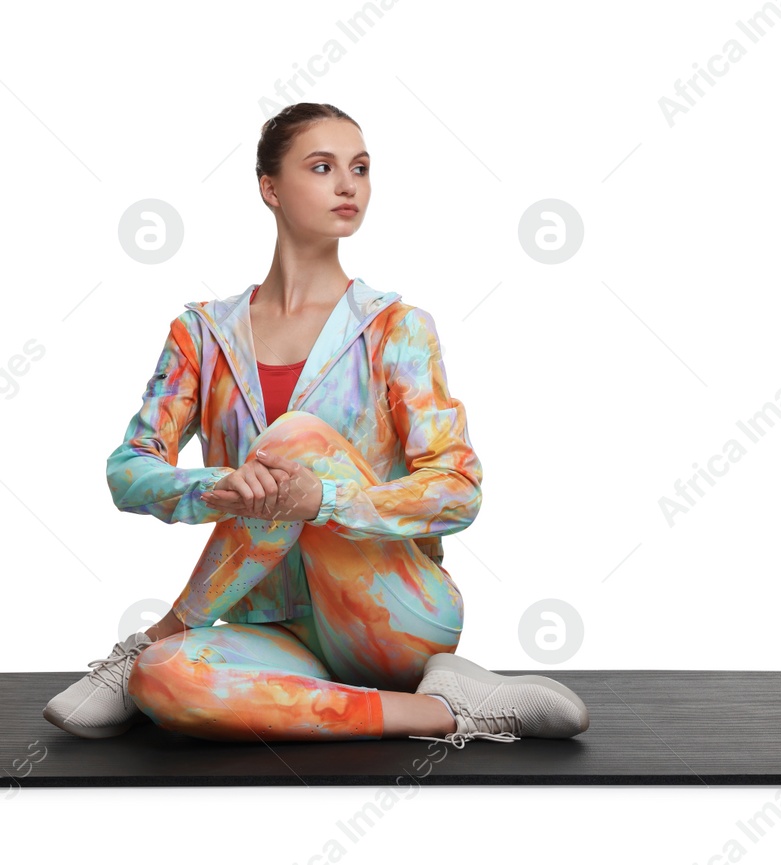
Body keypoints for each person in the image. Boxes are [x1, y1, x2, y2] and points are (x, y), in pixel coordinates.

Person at [42, 103, 588, 748]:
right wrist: (218, 486)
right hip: (274, 629)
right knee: (165, 682)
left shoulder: (395, 328)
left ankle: (155, 635)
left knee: (296, 440)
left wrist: (321, 500)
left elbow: (457, 488)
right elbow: (129, 471)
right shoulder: (202, 332)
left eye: (359, 168)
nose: (348, 185)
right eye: (322, 167)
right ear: (270, 188)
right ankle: (447, 711)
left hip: (390, 617)